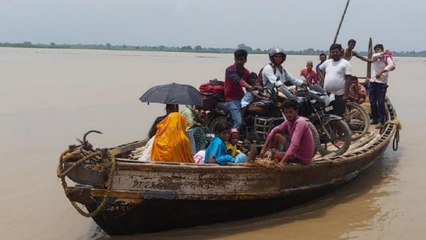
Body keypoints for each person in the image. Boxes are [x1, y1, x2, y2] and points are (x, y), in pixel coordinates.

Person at [259, 99, 315, 169]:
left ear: (296, 111)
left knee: (266, 155)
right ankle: (270, 155)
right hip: (296, 151)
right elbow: (274, 130)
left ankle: (270, 157)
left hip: (300, 157)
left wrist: (283, 161)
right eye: (286, 113)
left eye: (291, 112)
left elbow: (295, 144)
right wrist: (263, 148)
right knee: (276, 135)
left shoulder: (300, 122)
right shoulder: (289, 121)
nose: (288, 115)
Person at [319, 43, 352, 117]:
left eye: (336, 51)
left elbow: (348, 79)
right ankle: (330, 128)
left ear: (340, 52)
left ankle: (339, 128)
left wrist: (346, 95)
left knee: (338, 114)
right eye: (333, 52)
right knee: (328, 111)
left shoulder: (345, 63)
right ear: (330, 53)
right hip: (327, 94)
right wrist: (323, 79)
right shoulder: (327, 62)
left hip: (339, 95)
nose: (335, 53)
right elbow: (319, 69)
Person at [366, 43, 395, 129]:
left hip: (381, 83)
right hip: (373, 82)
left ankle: (381, 121)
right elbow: (374, 55)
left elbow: (391, 65)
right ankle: (375, 119)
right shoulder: (375, 58)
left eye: (379, 49)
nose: (377, 51)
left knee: (381, 103)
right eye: (376, 49)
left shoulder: (387, 58)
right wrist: (382, 53)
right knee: (372, 101)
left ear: (382, 49)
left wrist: (382, 71)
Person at [224, 49, 253, 131]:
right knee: (238, 122)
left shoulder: (246, 72)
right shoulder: (230, 70)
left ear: (245, 60)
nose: (239, 61)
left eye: (242, 59)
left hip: (241, 97)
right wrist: (250, 86)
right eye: (238, 59)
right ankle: (232, 140)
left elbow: (251, 83)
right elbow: (239, 81)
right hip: (231, 99)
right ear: (234, 59)